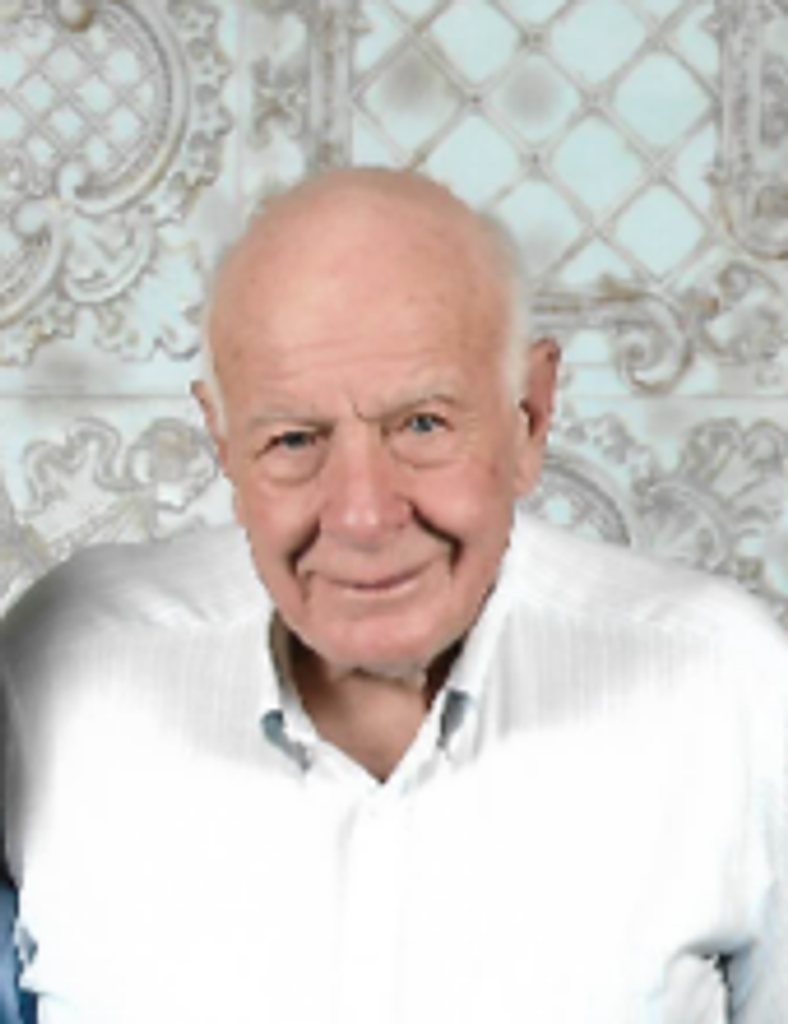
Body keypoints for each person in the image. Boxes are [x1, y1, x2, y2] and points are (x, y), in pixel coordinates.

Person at [0, 168, 786, 1024]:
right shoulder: (57, 671)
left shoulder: (727, 686)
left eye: (422, 424)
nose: (364, 516)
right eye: (293, 439)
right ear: (222, 441)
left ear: (530, 415)